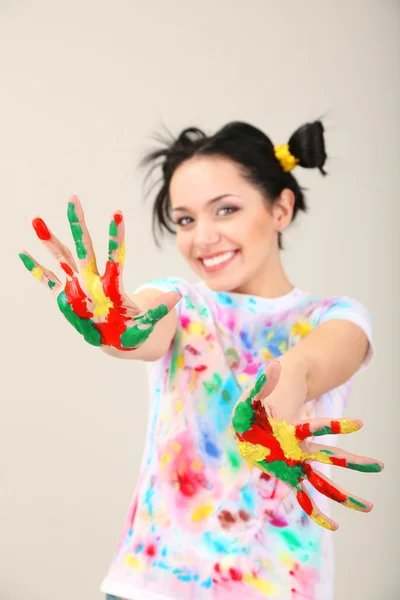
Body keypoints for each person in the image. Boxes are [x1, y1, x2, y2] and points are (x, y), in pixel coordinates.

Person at [20, 120, 384, 600]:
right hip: (149, 588)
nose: (203, 237)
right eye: (186, 220)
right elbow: (142, 325)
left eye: (226, 210)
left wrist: (269, 411)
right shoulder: (181, 302)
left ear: (281, 208)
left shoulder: (335, 318)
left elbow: (306, 367)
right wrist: (116, 327)